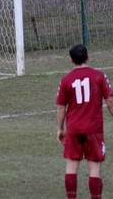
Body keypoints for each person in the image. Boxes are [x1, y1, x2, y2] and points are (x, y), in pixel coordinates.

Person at [56, 44, 113, 199]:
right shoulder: (99, 76)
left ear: (71, 60)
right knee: (94, 169)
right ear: (88, 57)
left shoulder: (66, 79)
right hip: (93, 129)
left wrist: (60, 129)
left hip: (74, 129)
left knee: (71, 167)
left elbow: (61, 108)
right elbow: (109, 101)